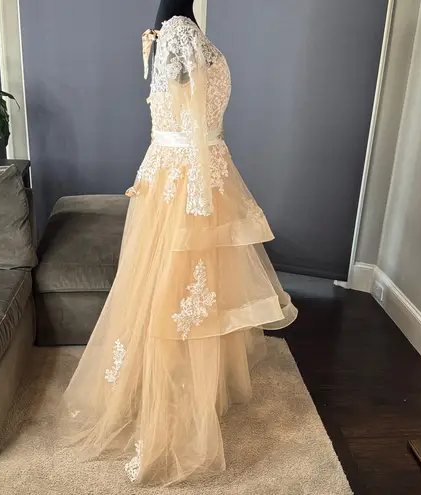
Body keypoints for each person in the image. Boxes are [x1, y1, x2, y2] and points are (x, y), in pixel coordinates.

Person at [62, 4, 297, 486]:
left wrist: (194, 192)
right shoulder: (194, 41)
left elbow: (189, 120)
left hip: (187, 176)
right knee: (188, 287)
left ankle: (185, 395)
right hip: (197, 175)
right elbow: (194, 119)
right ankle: (175, 392)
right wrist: (199, 191)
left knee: (184, 288)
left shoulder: (175, 35)